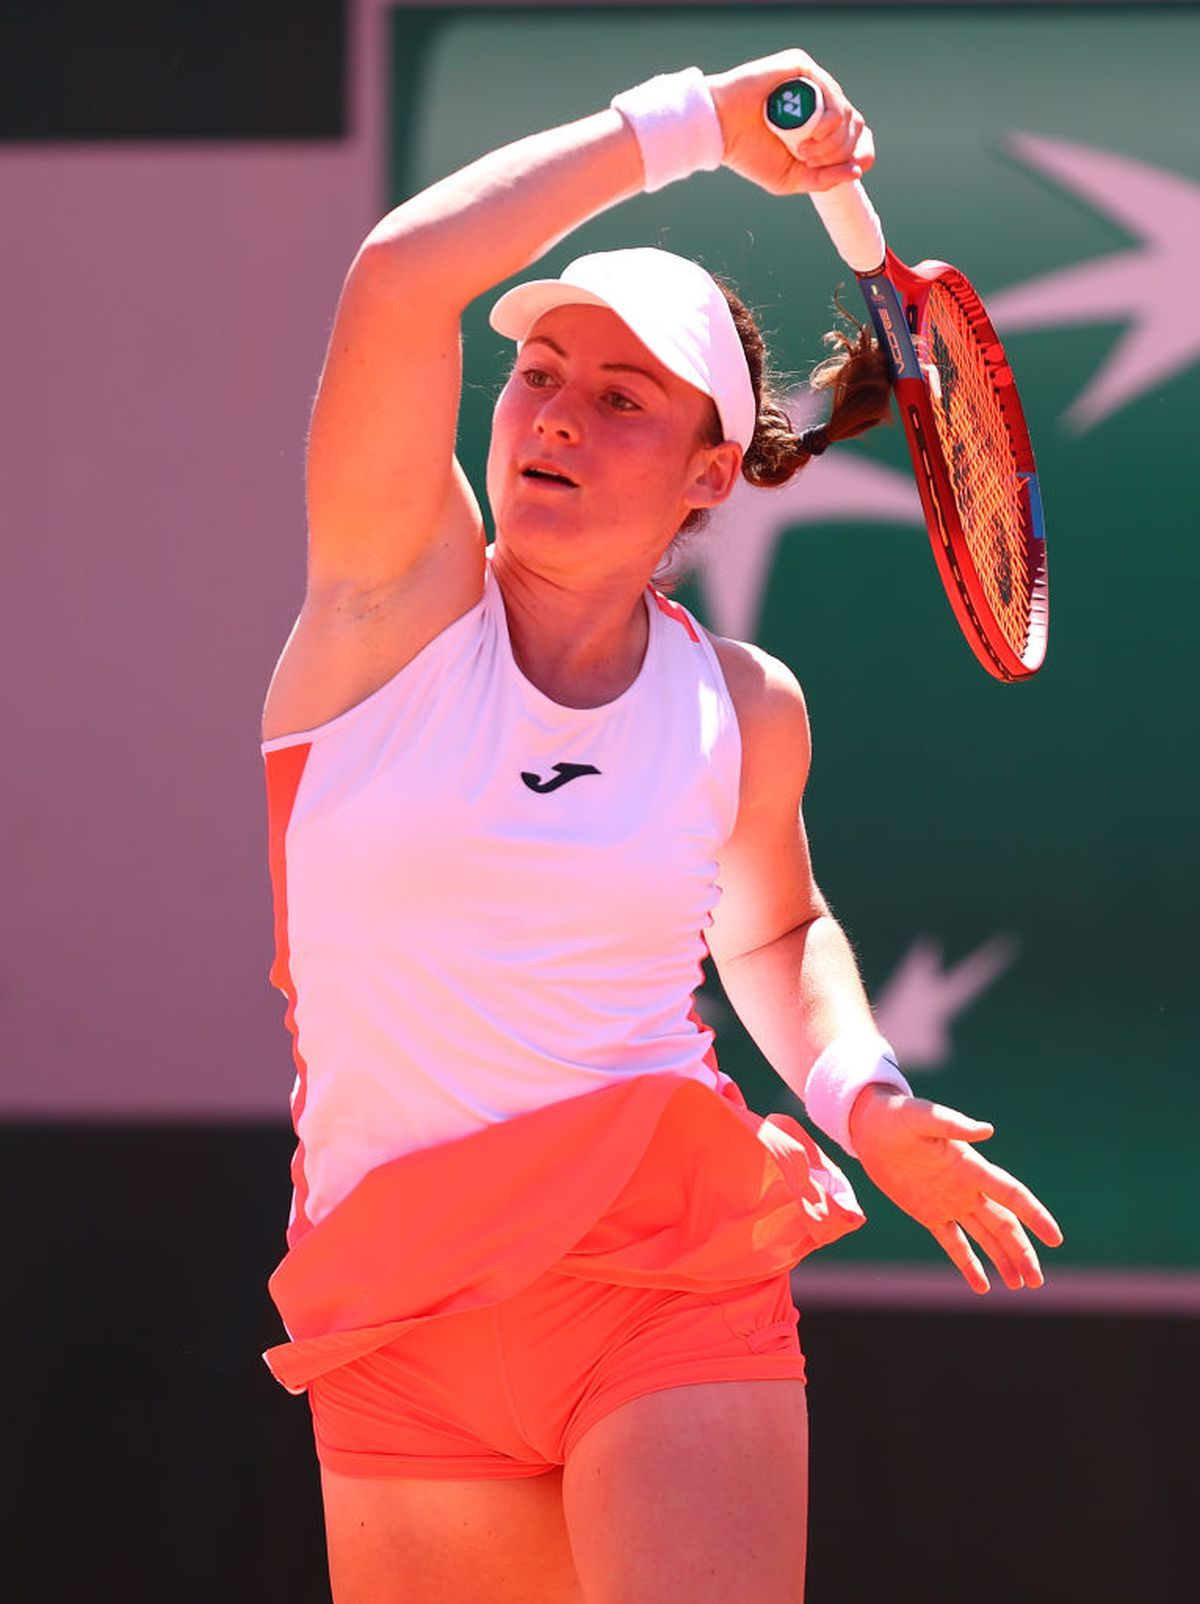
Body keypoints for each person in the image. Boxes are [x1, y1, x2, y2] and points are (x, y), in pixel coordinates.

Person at [260, 47, 1062, 1604]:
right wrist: (689, 127)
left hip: (658, 1275)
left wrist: (865, 1093)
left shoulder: (746, 709)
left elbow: (770, 926)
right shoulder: (384, 609)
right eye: (540, 377)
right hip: (394, 1307)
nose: (553, 416)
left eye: (620, 396)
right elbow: (398, 283)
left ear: (710, 472)